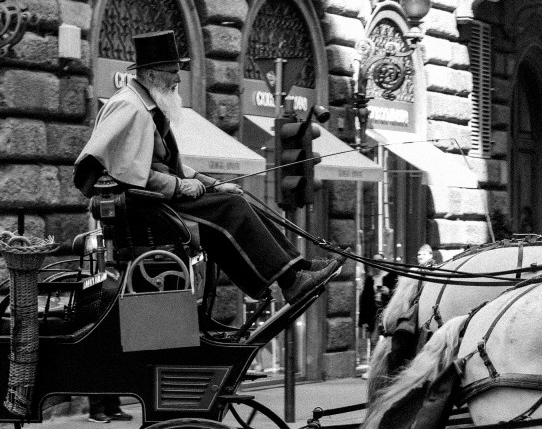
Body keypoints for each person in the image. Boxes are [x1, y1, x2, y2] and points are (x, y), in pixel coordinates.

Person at [73, 30, 342, 304]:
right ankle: (290, 281)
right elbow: (130, 174)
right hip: (147, 208)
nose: (178, 79)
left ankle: (296, 268)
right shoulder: (130, 107)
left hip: (156, 204)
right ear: (152, 75)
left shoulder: (145, 104)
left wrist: (212, 182)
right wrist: (180, 186)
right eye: (172, 72)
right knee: (231, 208)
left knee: (237, 197)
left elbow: (168, 165)